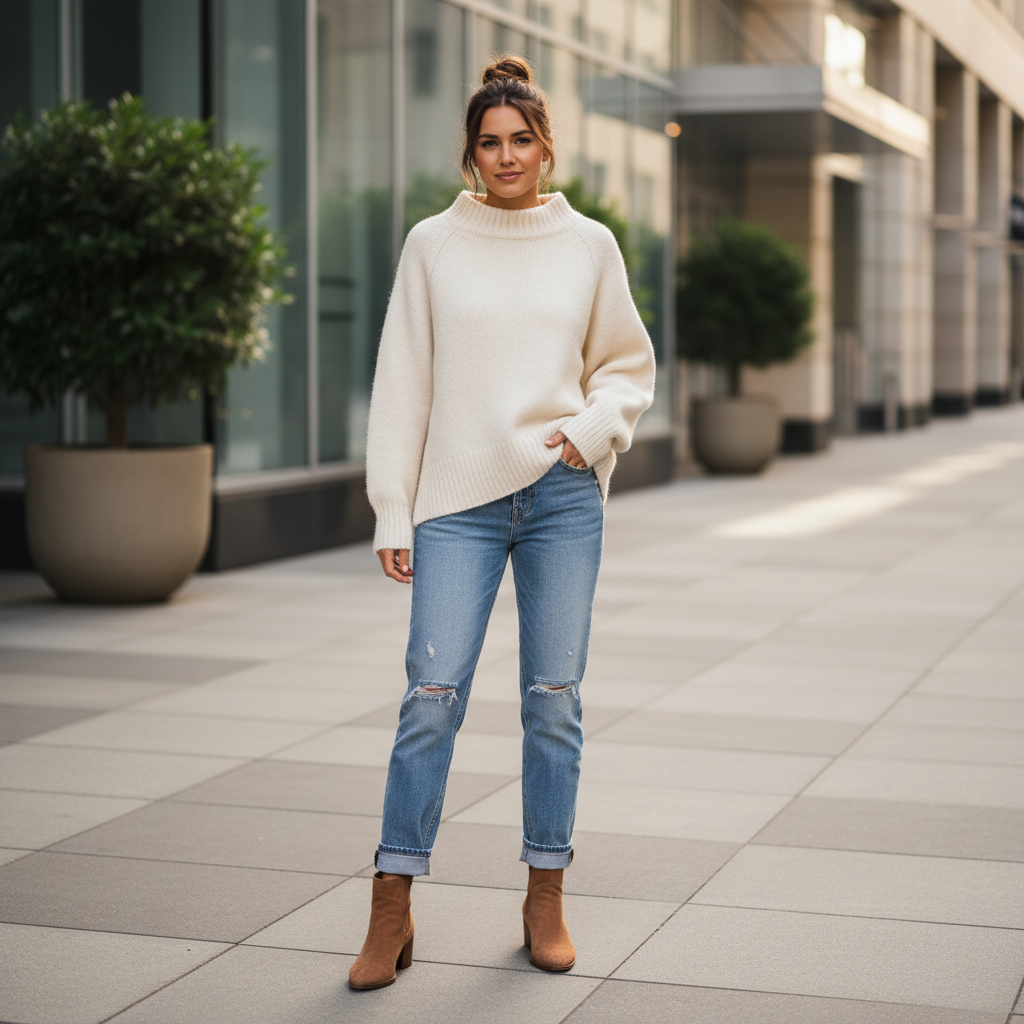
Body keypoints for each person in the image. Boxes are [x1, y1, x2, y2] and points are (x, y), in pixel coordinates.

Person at [349, 55, 656, 991]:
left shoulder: (589, 245)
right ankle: (392, 905)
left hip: (562, 496)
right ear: (472, 153)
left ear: (546, 146)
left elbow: (626, 364)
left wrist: (592, 430)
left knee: (553, 701)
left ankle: (545, 895)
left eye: (522, 139)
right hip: (457, 505)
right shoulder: (432, 244)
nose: (506, 155)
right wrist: (392, 507)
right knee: (429, 698)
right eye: (490, 142)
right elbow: (404, 383)